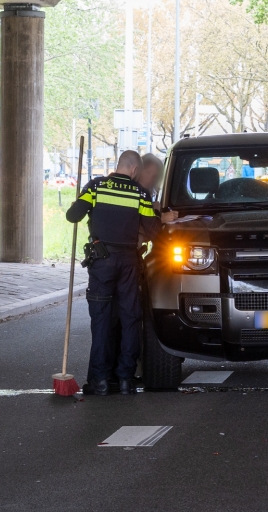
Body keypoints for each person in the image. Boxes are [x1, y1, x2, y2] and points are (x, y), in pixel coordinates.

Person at [67, 150, 159, 396]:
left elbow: (72, 216)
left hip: (102, 261)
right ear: (134, 170)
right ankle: (126, 379)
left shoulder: (96, 187)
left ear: (118, 165)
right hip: (129, 261)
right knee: (130, 319)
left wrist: (81, 201)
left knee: (101, 320)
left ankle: (100, 381)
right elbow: (154, 230)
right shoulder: (141, 193)